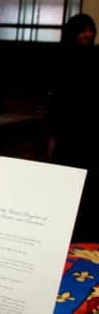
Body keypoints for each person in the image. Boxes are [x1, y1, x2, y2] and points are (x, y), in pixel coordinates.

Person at [48, 13, 98, 242]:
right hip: (69, 126)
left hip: (91, 125)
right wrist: (53, 133)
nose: (88, 34)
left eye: (91, 29)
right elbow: (57, 98)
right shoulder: (62, 55)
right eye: (83, 29)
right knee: (68, 179)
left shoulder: (95, 55)